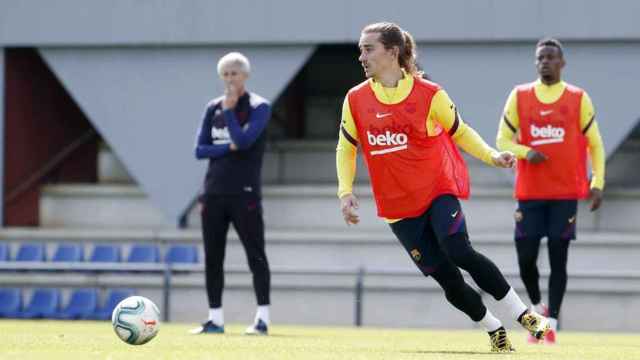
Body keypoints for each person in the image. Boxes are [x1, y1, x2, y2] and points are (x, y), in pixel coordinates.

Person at [336, 22, 550, 353]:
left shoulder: (430, 94)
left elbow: (460, 131)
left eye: (368, 49)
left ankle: (525, 317)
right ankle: (493, 329)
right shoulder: (355, 99)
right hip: (397, 208)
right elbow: (346, 148)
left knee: (458, 249)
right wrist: (345, 193)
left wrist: (493, 156)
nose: (361, 56)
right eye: (360, 49)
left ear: (392, 52)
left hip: (436, 190)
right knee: (446, 278)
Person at [496, 38, 606, 345]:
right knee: (525, 257)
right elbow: (502, 140)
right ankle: (536, 309)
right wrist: (524, 151)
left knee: (559, 258)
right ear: (536, 62)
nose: (544, 61)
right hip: (529, 193)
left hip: (565, 193)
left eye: (550, 57)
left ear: (562, 63)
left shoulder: (578, 98)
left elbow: (596, 144)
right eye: (540, 57)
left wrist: (597, 182)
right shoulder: (519, 96)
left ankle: (551, 322)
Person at [191, 52, 271, 335]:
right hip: (213, 193)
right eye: (225, 74)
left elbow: (245, 141)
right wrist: (227, 148)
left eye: (234, 73)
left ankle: (262, 319)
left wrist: (229, 111)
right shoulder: (212, 107)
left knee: (255, 255)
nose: (229, 78)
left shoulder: (259, 106)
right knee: (213, 257)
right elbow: (199, 150)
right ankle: (215, 319)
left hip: (245, 193)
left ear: (245, 75)